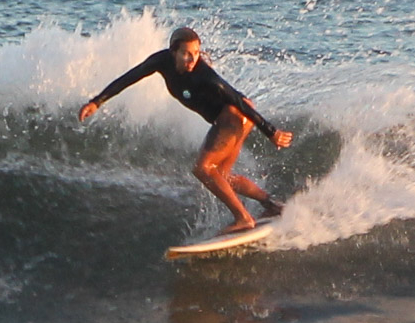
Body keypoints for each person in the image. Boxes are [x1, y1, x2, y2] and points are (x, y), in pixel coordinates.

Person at [79, 27, 292, 233]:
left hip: (235, 115)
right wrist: (97, 102)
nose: (192, 60)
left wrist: (271, 132)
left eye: (196, 53)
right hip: (235, 117)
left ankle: (243, 218)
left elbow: (238, 101)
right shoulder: (161, 61)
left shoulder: (205, 76)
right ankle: (271, 203)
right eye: (186, 54)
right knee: (221, 177)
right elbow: (130, 77)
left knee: (203, 169)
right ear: (174, 52)